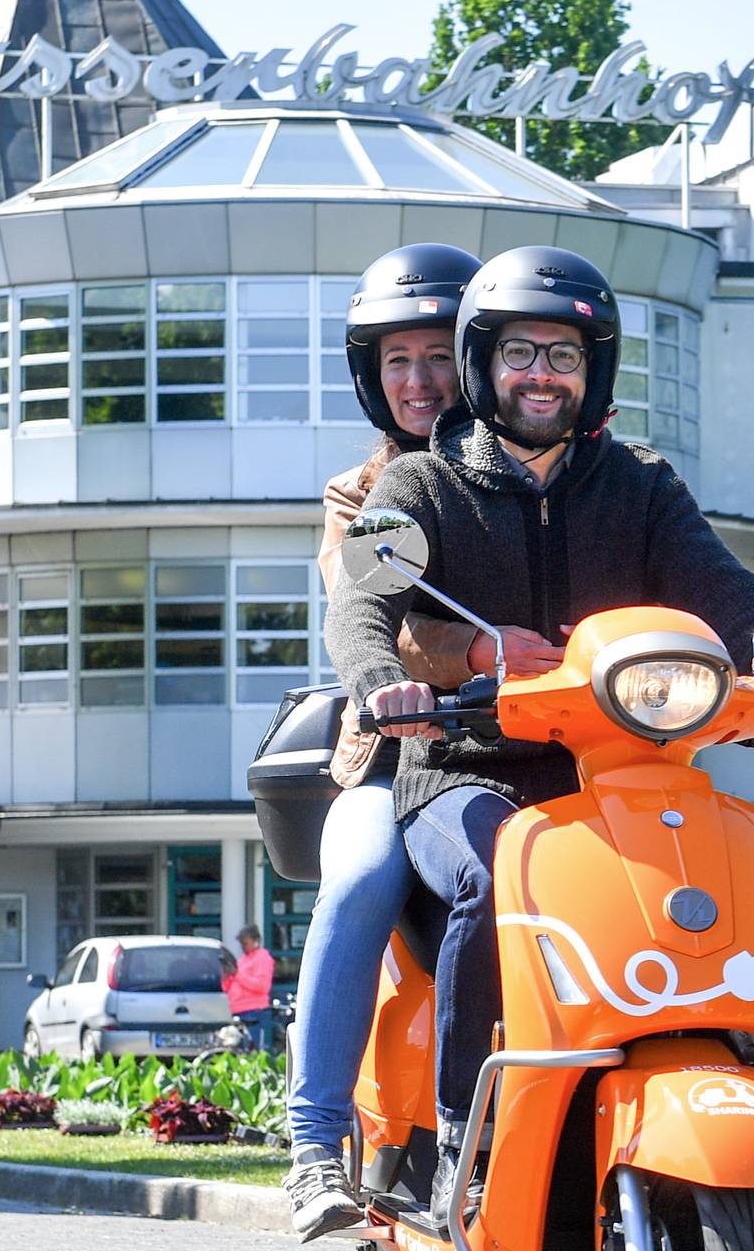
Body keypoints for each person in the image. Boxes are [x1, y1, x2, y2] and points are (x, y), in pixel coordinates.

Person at [327, 245, 754, 1217]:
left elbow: (720, 585)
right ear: (483, 361)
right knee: (494, 867)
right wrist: (378, 679)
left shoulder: (639, 483)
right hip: (465, 775)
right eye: (519, 351)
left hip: (615, 778)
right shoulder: (425, 486)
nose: (540, 374)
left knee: (722, 854)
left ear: (591, 371)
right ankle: (461, 1151)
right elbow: (362, 602)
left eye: (563, 356)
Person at [280, 242, 566, 1242]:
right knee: (358, 876)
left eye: (436, 356)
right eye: (395, 362)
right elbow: (376, 621)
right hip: (401, 748)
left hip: (546, 744)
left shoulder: (555, 467)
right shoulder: (362, 491)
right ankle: (313, 1144)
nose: (418, 381)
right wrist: (481, 647)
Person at [225, 928, 277, 1053]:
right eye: (241, 944)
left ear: (256, 941)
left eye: (245, 943)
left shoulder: (263, 958)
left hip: (253, 1011)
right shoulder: (243, 960)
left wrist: (236, 974)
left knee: (251, 1050)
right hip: (237, 1011)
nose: (243, 947)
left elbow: (262, 986)